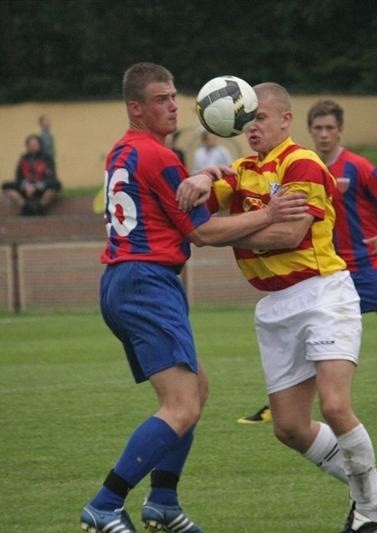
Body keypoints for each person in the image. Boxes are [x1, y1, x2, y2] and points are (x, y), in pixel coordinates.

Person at [80, 62, 309, 533]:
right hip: (146, 282)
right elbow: (203, 232)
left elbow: (180, 209)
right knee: (181, 406)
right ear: (135, 107)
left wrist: (209, 179)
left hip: (127, 281)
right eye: (161, 98)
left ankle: (163, 501)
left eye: (173, 95)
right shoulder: (159, 157)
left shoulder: (123, 151)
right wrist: (269, 212)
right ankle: (105, 504)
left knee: (197, 390)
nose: (173, 105)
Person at [181, 82, 377, 532]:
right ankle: (369, 481)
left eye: (260, 117)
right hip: (274, 306)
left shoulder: (303, 163)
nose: (251, 126)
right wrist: (205, 178)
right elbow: (199, 226)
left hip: (322, 294)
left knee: (336, 407)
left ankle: (371, 511)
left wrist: (231, 229)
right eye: (246, 119)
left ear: (284, 120)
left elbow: (288, 236)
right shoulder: (241, 169)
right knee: (290, 428)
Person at [239, 99, 377, 424]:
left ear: (340, 131)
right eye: (318, 128)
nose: (324, 134)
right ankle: (278, 407)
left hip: (363, 266)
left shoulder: (358, 167)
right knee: (304, 338)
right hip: (320, 275)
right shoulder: (299, 165)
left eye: (330, 128)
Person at [1, 134, 61, 216]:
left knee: (56, 185)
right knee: (5, 186)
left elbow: (52, 177)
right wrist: (26, 186)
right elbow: (18, 177)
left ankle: (41, 208)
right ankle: (25, 207)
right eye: (30, 145)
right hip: (26, 187)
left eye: (35, 144)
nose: (33, 146)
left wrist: (36, 186)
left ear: (40, 145)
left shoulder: (47, 158)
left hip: (41, 187)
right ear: (27, 146)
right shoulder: (23, 158)